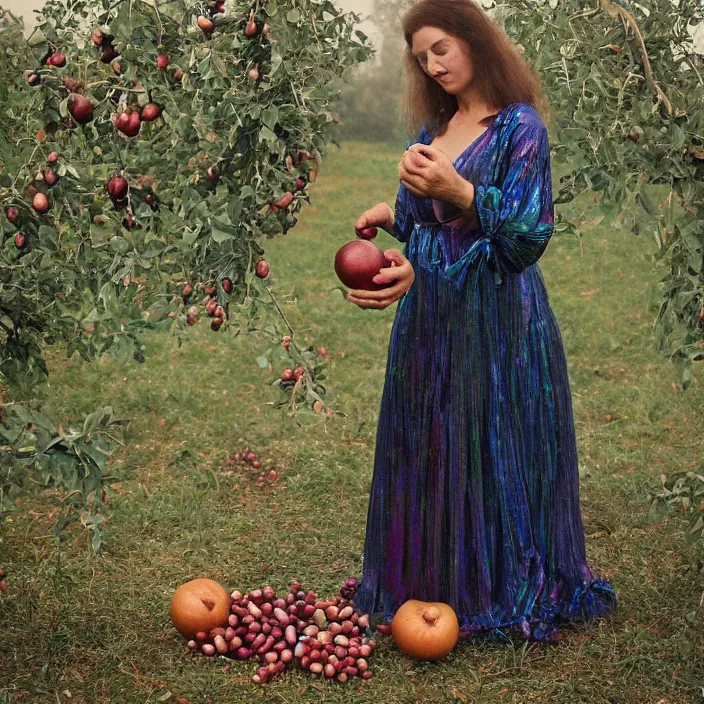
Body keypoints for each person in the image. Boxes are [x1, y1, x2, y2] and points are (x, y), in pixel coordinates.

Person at [349, 0, 616, 643]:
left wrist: (460, 192)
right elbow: (424, 231)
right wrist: (395, 219)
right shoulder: (430, 133)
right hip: (432, 320)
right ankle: (437, 578)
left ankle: (497, 581)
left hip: (501, 324)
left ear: (474, 40)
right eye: (420, 59)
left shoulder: (519, 127)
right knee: (436, 441)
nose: (433, 65)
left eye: (441, 48)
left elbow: (526, 239)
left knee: (494, 445)